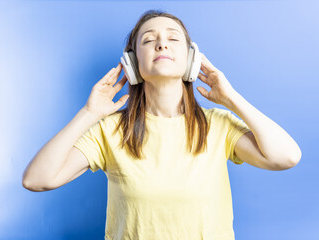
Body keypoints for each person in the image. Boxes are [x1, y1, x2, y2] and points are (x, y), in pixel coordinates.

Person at [22, 9, 302, 240]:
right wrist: (89, 113)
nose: (161, 44)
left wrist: (231, 99)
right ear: (132, 63)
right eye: (148, 40)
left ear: (191, 60)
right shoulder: (109, 130)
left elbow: (287, 157)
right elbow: (36, 179)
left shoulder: (218, 125)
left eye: (173, 38)